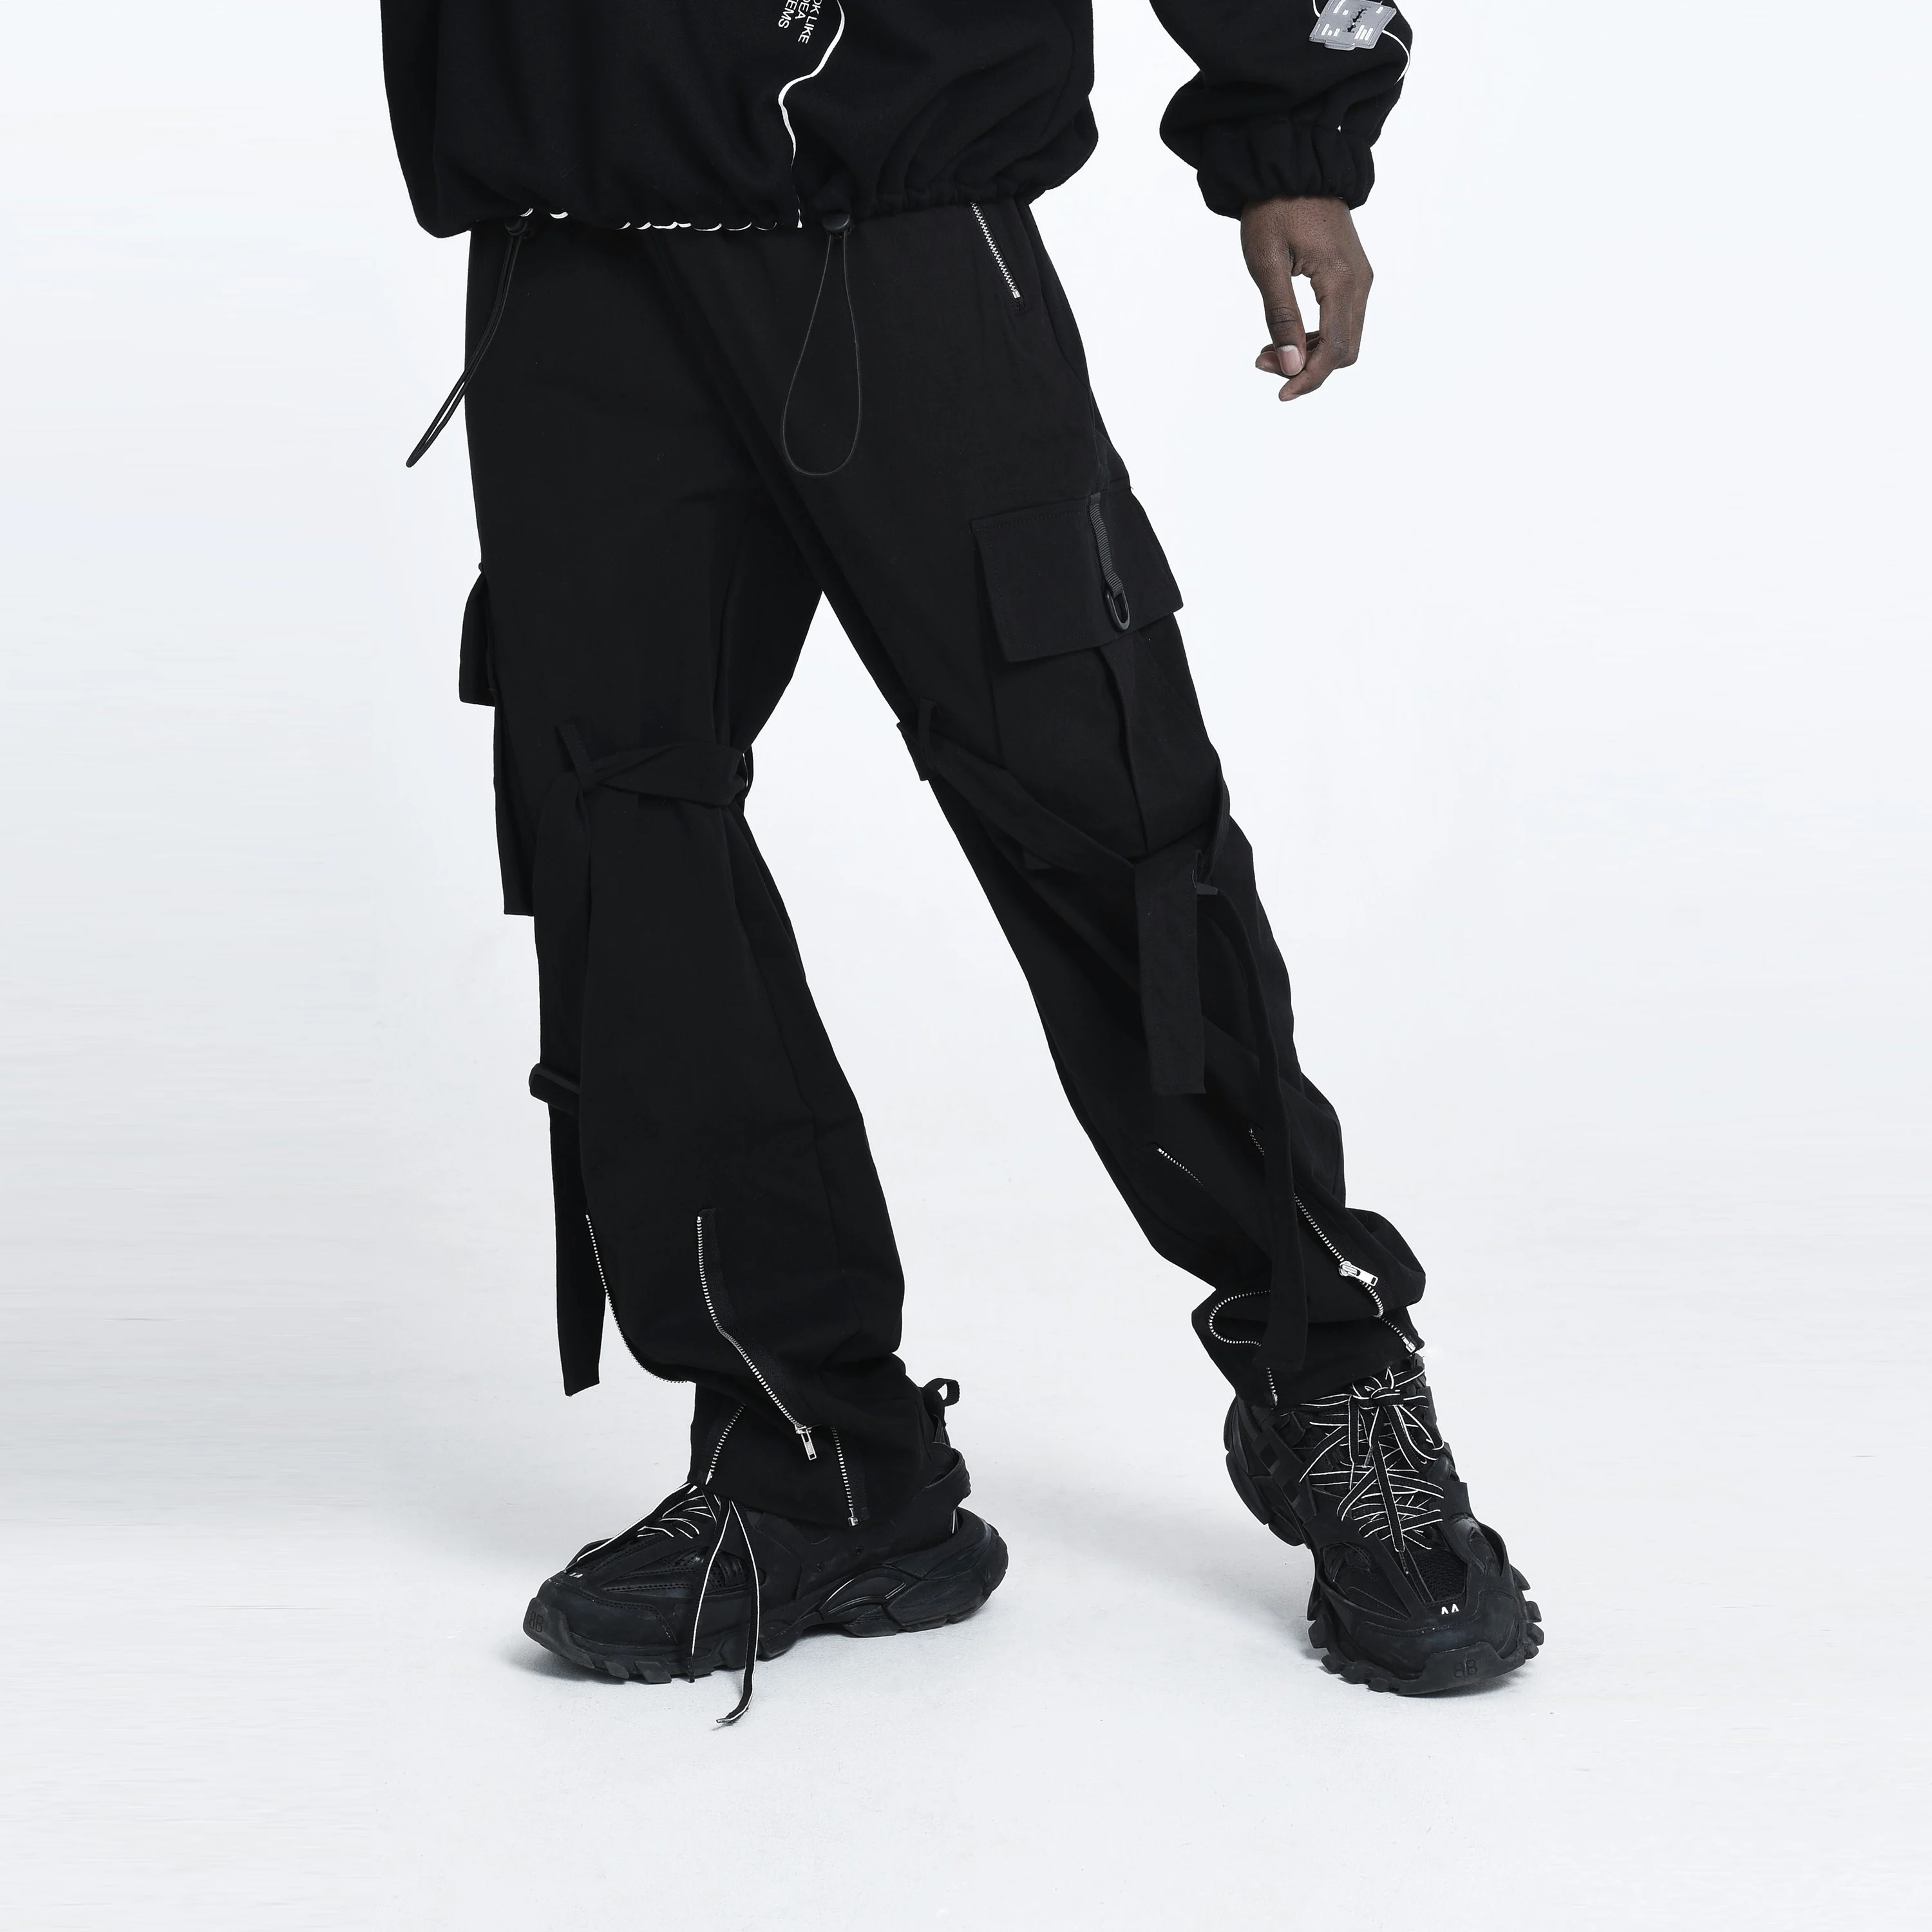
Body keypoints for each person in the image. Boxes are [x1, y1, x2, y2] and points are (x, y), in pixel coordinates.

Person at [381, 0, 1541, 1720]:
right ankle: (814, 1460)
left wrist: (1286, 122)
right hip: (573, 231)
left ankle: (1330, 1368)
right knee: (619, 838)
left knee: (1104, 809)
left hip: (899, 209)